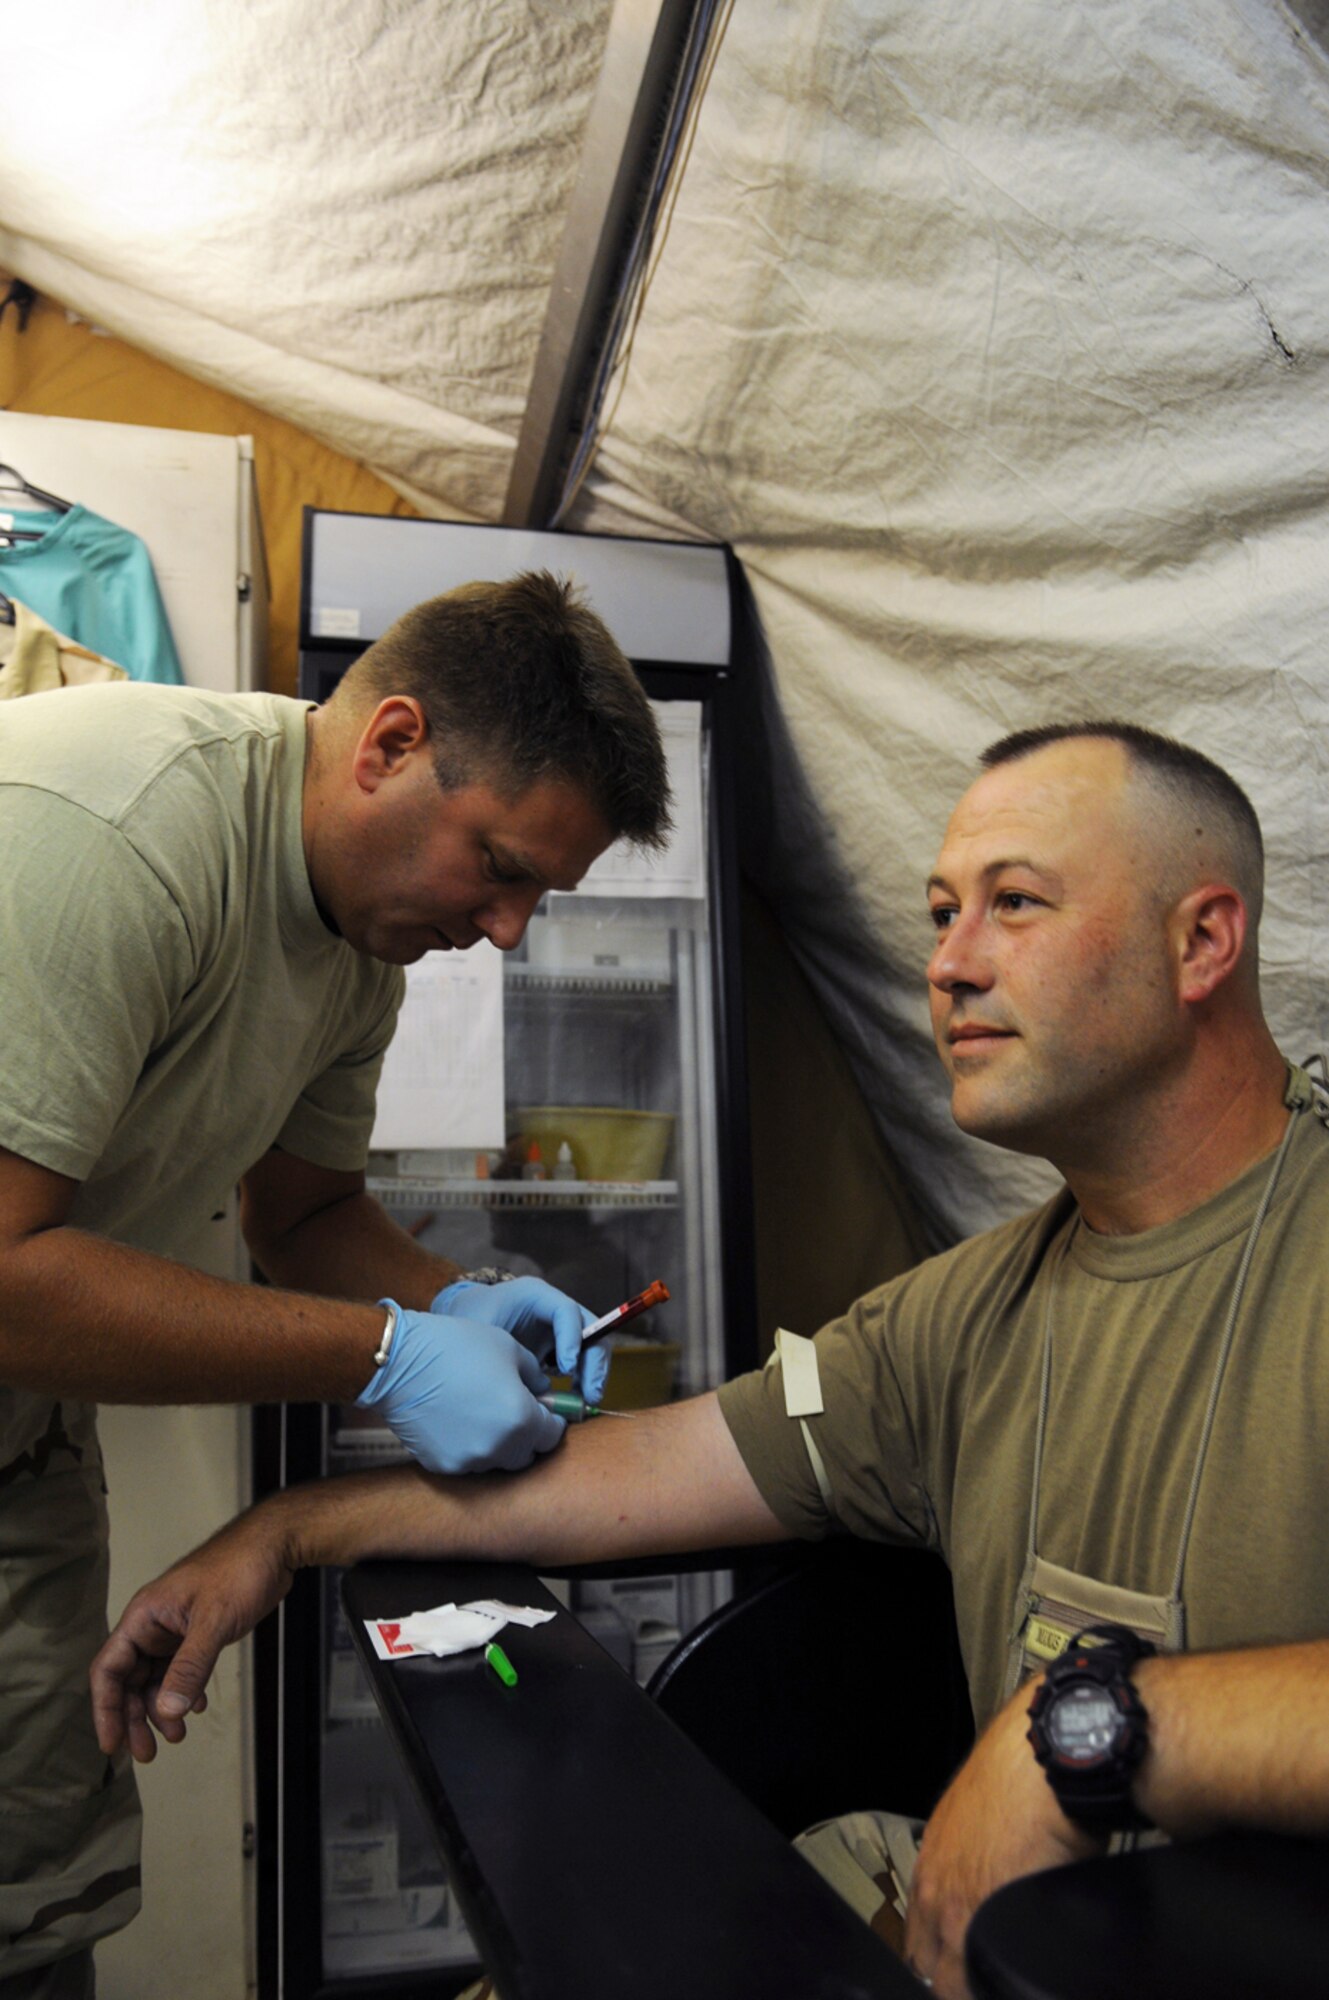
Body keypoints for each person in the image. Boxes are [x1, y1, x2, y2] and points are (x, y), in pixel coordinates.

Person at [91, 722, 1329, 2000]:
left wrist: (1077, 1733)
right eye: (941, 912)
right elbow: (634, 1470)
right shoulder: (967, 1318)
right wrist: (290, 1529)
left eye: (1014, 903)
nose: (949, 965)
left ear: (1202, 941)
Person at [0, 570, 671, 1997]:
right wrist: (387, 1353)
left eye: (541, 896)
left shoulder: (361, 945)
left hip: (19, 1442)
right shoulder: (116, 837)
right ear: (390, 745)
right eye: (500, 869)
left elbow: (302, 1214)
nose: (507, 932)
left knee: (33, 1906)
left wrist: (455, 1296)